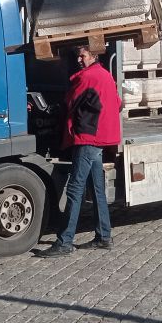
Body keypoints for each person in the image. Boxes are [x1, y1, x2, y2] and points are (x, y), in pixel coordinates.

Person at [39, 44, 122, 257]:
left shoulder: (86, 77)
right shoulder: (105, 75)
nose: (79, 59)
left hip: (87, 138)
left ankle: (64, 241)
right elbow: (118, 103)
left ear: (93, 56)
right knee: (96, 190)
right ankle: (104, 236)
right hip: (99, 139)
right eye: (78, 56)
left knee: (75, 190)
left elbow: (69, 101)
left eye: (82, 56)